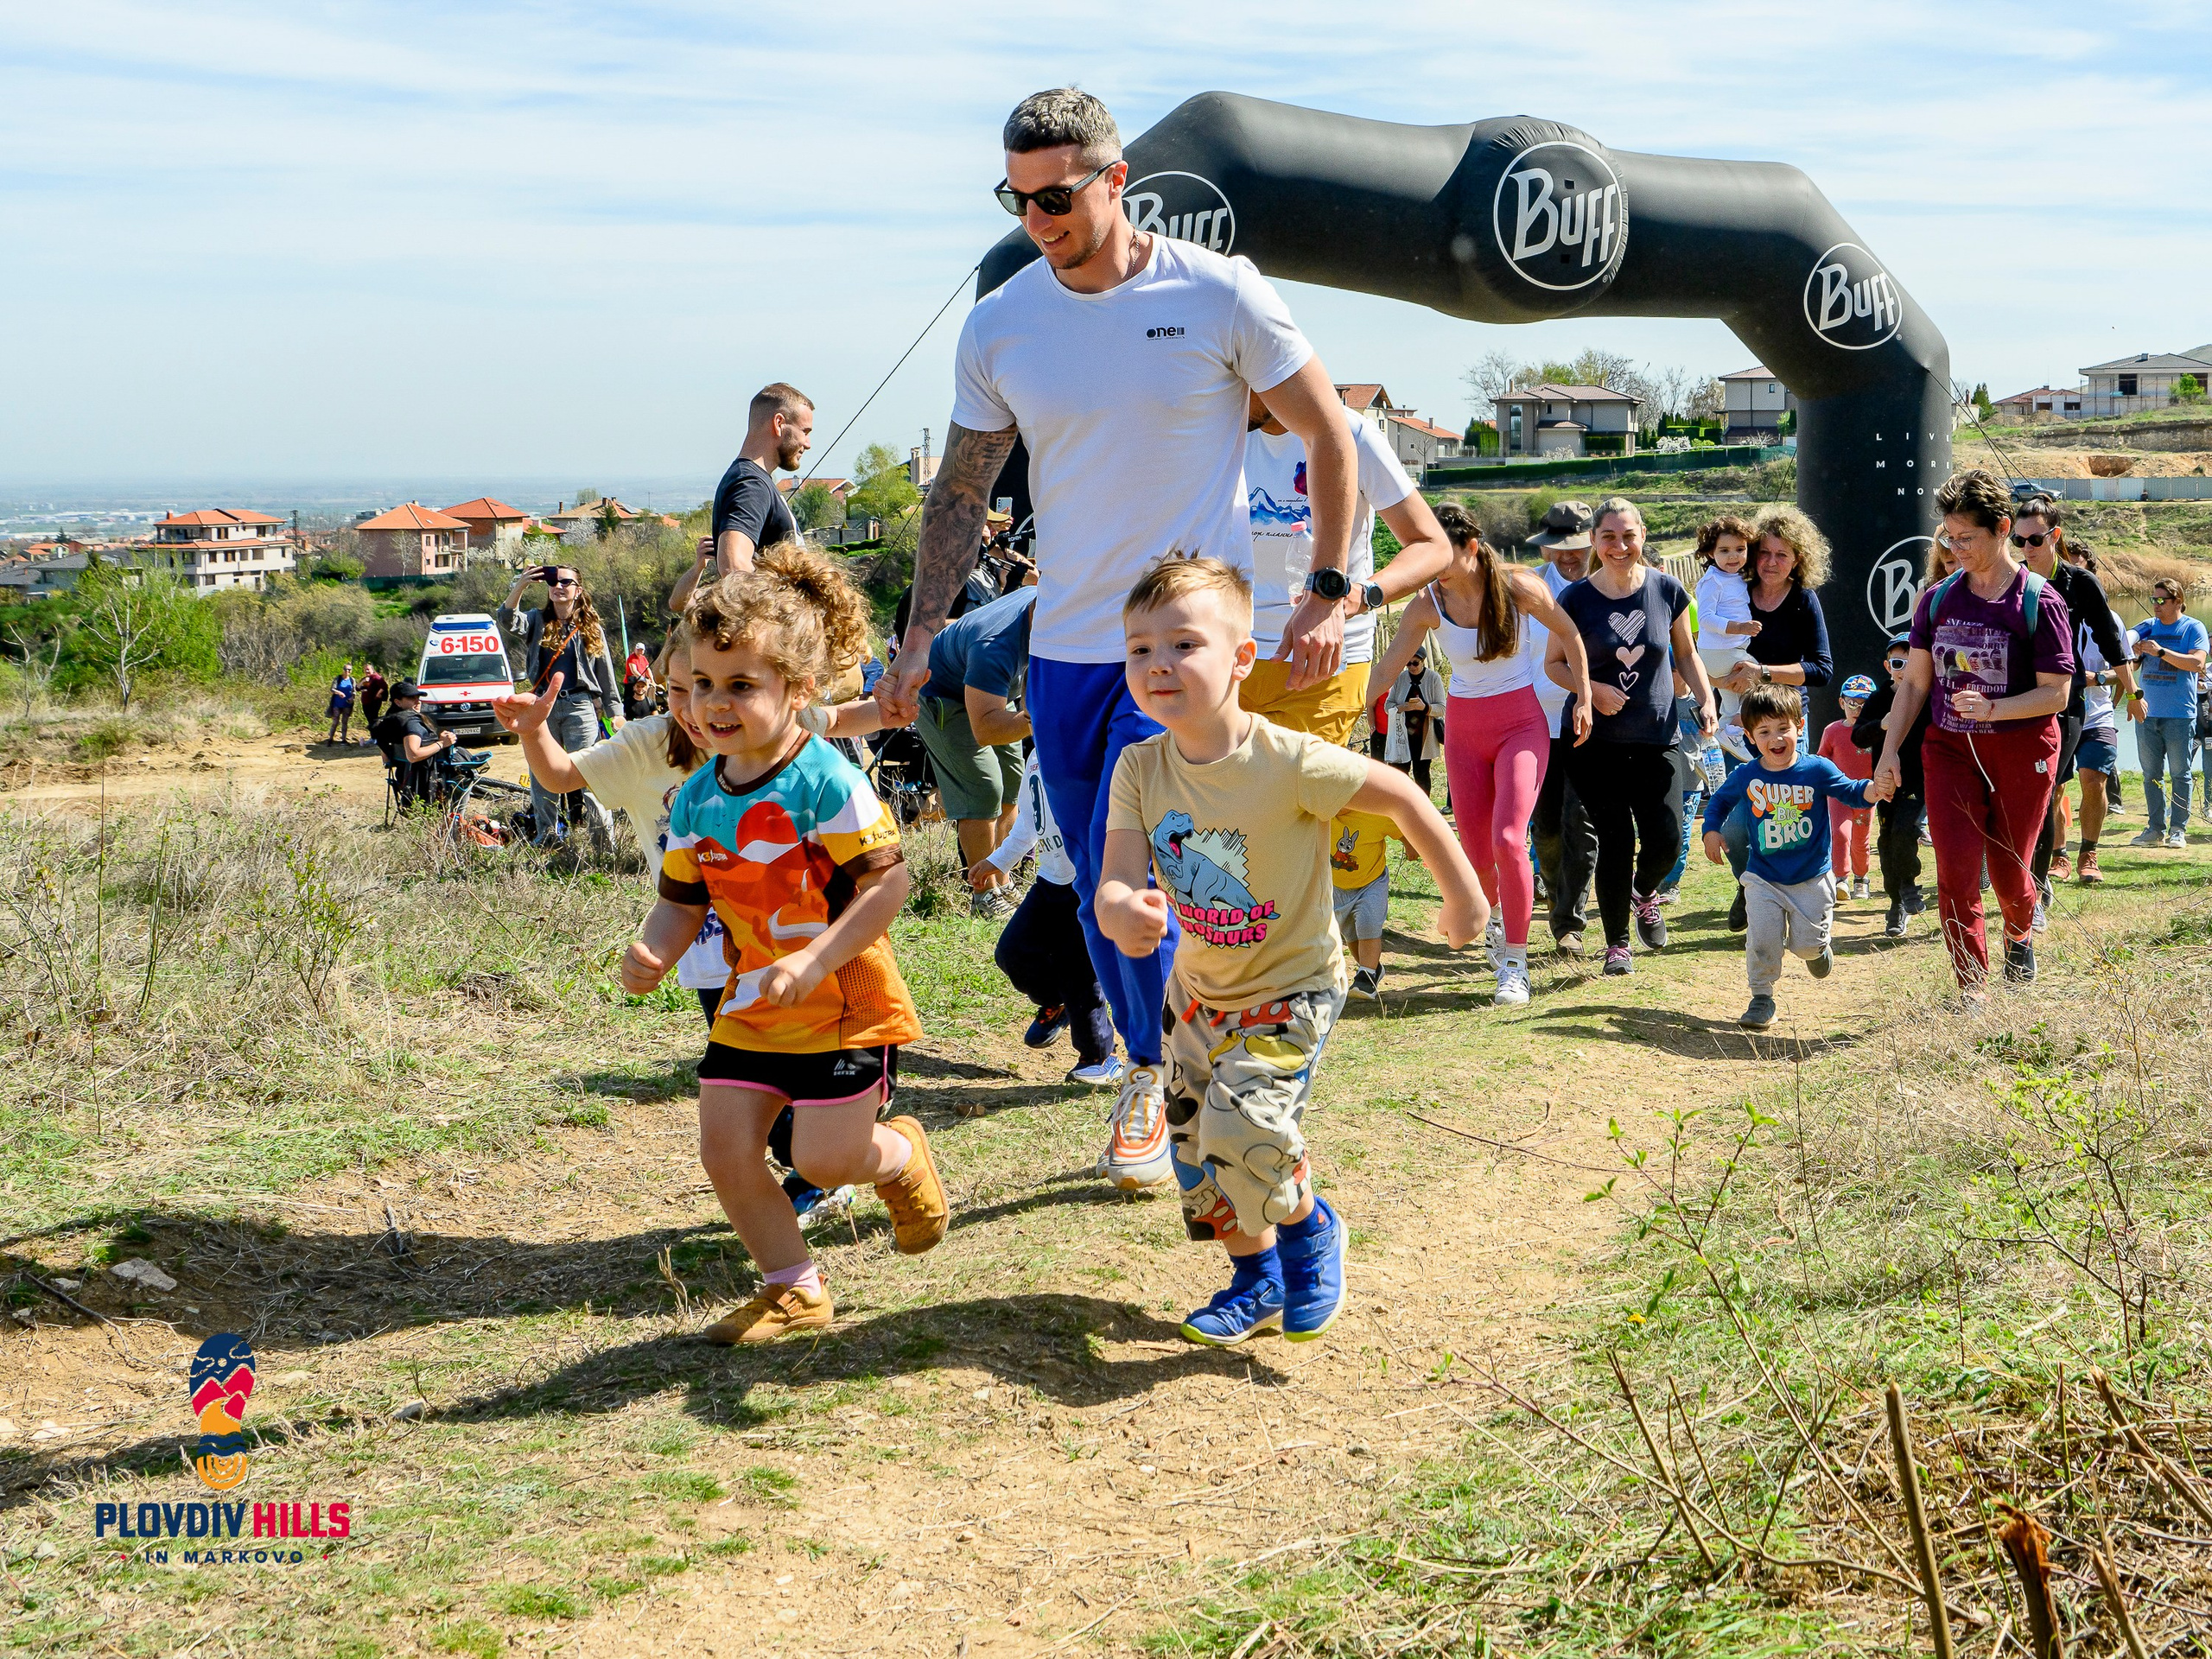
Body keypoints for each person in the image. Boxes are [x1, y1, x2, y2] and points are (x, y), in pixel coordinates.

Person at [880, 87, 1361, 1193]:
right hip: (1070, 651)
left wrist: (1329, 590)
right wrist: (919, 639)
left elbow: (1329, 436)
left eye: (1055, 194)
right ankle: (1152, 1073)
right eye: (1016, 195)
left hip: (1195, 649)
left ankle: (1251, 1059)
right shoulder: (1003, 322)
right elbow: (958, 494)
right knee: (1108, 875)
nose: (1035, 215)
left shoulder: (1216, 292)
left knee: (1215, 873)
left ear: (1115, 181)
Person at [1095, 557, 1484, 1344]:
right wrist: (1118, 909)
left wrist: (1464, 895)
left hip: (1294, 987)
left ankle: (1312, 1233)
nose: (1157, 664)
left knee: (1246, 1131)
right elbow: (1115, 878)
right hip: (1197, 997)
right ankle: (1256, 1279)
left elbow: (1405, 795)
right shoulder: (1140, 766)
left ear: (1242, 659)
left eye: (1183, 645)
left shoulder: (1289, 760)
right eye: (1139, 650)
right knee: (1199, 1158)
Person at [618, 545, 947, 1345]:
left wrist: (813, 960)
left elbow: (888, 886)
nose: (712, 704)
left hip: (842, 1005)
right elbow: (679, 903)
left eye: (739, 685)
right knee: (727, 1152)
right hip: (751, 1009)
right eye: (700, 684)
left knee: (827, 1162)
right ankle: (793, 1286)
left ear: (797, 692)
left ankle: (898, 1156)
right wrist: (651, 950)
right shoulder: (695, 799)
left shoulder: (825, 779)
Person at [1364, 504, 1592, 1005]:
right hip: (1465, 731)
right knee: (1475, 851)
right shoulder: (1427, 604)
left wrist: (1584, 699)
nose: (1430, 569)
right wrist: (1354, 709)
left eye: (1439, 555)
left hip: (1520, 724)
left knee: (1509, 839)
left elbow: (1571, 634)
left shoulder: (1519, 587)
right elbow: (1386, 669)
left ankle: (1514, 961)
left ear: (1469, 546)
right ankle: (1495, 919)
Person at [1873, 469, 2074, 995]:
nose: (1955, 547)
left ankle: (2020, 934)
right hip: (1949, 751)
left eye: (1967, 538)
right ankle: (1971, 987)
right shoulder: (1937, 599)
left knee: (2009, 872)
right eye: (1948, 537)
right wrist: (1889, 751)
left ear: (2003, 527)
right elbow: (1915, 685)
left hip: (2022, 750)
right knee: (1957, 870)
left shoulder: (2039, 600)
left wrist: (1993, 708)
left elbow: (2057, 693)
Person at [1544, 498, 1715, 976]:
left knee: (1664, 837)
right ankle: (1617, 943)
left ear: (1641, 535)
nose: (1619, 547)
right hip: (1592, 741)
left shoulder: (1667, 590)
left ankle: (1645, 894)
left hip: (1656, 734)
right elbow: (1553, 664)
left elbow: (1686, 654)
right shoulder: (1575, 599)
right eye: (1609, 538)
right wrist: (1592, 689)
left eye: (1628, 536)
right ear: (1595, 542)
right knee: (1616, 839)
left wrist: (1705, 697)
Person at [1243, 389, 1451, 741]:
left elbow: (1432, 546)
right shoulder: (1217, 431)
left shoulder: (1354, 434)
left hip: (1323, 664)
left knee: (1299, 795)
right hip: (1229, 657)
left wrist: (1361, 594)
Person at [1702, 683, 1887, 1029]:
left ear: (1799, 726)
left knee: (1804, 946)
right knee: (1762, 939)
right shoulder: (1746, 774)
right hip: (1763, 877)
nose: (1776, 738)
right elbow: (1719, 802)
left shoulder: (1816, 769)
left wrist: (1873, 790)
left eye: (1783, 728)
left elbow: (1849, 790)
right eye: (1764, 731)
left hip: (1811, 877)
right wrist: (1711, 830)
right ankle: (1761, 997)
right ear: (1750, 736)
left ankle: (1817, 950)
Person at [1713, 507, 1835, 929]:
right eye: (1763, 552)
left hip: (1785, 724)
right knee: (1736, 826)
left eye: (1782, 555)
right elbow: (1700, 639)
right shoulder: (1735, 591)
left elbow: (1822, 668)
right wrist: (1715, 679)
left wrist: (1764, 673)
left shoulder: (1804, 600)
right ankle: (1751, 886)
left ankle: (1782, 897)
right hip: (1737, 724)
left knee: (1782, 820)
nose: (1769, 562)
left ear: (1799, 559)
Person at [2010, 496, 2135, 909]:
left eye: (2034, 539)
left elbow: (2112, 642)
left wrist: (2132, 693)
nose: (2026, 548)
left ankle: (2040, 881)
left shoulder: (2079, 583)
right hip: (2014, 702)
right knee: (2018, 793)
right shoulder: (2010, 582)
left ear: (2054, 536)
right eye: (2018, 539)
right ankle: (2020, 872)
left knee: (2048, 790)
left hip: (2065, 701)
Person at [984, 751, 1122, 1086]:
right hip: (1050, 881)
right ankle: (1056, 1002)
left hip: (1089, 880)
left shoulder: (1091, 747)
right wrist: (997, 861)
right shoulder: (1035, 757)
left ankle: (1100, 1057)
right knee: (1011, 952)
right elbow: (1026, 828)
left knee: (1077, 970)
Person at [912, 587, 1036, 918]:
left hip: (990, 692)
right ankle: (984, 895)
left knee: (1013, 782)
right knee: (983, 790)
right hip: (943, 697)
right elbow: (987, 728)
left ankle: (1000, 878)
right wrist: (1045, 718)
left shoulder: (1048, 600)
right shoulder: (995, 647)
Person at [1524, 501, 1601, 954]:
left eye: (1576, 547)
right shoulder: (1528, 587)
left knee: (1582, 821)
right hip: (1534, 721)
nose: (1569, 557)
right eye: (1560, 548)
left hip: (1588, 721)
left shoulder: (1606, 590)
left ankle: (1570, 921)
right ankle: (1556, 892)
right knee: (1547, 828)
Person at [499, 563, 622, 846]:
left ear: (578, 590)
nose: (559, 587)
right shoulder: (536, 620)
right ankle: (548, 838)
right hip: (543, 707)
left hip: (580, 707)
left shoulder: (591, 628)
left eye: (566, 582)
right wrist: (520, 585)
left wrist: (616, 716)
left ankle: (603, 845)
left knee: (591, 773)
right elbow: (507, 618)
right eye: (554, 582)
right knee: (542, 775)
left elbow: (606, 677)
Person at [2062, 541, 2131, 884]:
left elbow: (2125, 667)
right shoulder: (2048, 608)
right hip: (2057, 712)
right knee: (2055, 789)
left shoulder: (2112, 618)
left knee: (2093, 781)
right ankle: (2057, 854)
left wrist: (2101, 682)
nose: (2071, 574)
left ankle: (2088, 852)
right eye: (2066, 566)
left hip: (2098, 716)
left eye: (2079, 568)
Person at [1853, 633, 1931, 937]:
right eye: (1899, 663)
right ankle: (1896, 903)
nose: (1905, 668)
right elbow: (1858, 737)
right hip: (1886, 784)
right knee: (1886, 842)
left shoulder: (1930, 694)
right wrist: (1883, 725)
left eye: (1912, 662)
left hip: (1921, 781)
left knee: (1906, 829)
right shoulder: (1879, 698)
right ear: (1888, 666)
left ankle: (1909, 886)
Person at [696, 384, 810, 587]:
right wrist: (783, 612)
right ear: (779, 423)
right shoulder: (751, 484)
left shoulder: (755, 480)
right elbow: (733, 565)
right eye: (805, 431)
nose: (808, 443)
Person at [2128, 575, 2207, 849]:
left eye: (2162, 600)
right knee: (2150, 774)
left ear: (2178, 602)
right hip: (2147, 713)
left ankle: (2178, 830)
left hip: (2180, 714)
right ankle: (2154, 829)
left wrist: (2161, 651)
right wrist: (2136, 652)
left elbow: (2197, 663)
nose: (2156, 605)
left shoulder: (2193, 628)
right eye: (2153, 599)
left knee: (2180, 773)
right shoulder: (2148, 626)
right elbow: (2128, 653)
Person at [1329, 804, 1401, 1002]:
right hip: (1337, 888)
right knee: (1350, 933)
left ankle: (1367, 975)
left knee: (1368, 923)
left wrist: (1411, 845)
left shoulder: (1373, 813)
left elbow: (1401, 828)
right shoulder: (1322, 814)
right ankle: (1371, 968)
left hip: (1371, 883)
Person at [1693, 516, 1760, 721]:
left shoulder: (1732, 577)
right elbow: (1705, 618)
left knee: (1732, 704)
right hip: (1720, 652)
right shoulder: (1713, 580)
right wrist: (1740, 628)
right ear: (1711, 553)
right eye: (1724, 551)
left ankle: (1727, 731)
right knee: (1759, 679)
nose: (1733, 556)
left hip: (1724, 652)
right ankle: (1730, 731)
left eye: (1740, 549)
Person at [1818, 673, 1876, 899]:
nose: (1857, 708)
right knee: (1840, 834)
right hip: (1838, 793)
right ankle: (1841, 878)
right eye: (1852, 702)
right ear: (1842, 702)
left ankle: (1862, 878)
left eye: (1864, 704)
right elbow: (1823, 759)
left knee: (1861, 840)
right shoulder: (1832, 731)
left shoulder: (1876, 730)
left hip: (1865, 794)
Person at [371, 680, 456, 808]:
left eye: (418, 697)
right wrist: (442, 744)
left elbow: (386, 758)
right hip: (427, 778)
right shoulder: (411, 722)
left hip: (405, 777)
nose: (418, 701)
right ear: (398, 702)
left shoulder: (390, 721)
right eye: (411, 698)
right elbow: (413, 755)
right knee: (466, 775)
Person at [1382, 649, 1444, 797]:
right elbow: (1387, 706)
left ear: (1423, 661)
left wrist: (1424, 707)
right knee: (1398, 774)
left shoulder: (1433, 678)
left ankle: (1423, 810)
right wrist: (1401, 707)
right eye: (1408, 664)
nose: (1411, 667)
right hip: (1402, 735)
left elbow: (1442, 708)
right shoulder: (1401, 678)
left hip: (1423, 736)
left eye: (1415, 663)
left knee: (1421, 774)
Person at [622, 640, 657, 721]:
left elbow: (648, 670)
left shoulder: (644, 659)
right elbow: (634, 670)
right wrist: (643, 679)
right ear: (635, 649)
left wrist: (652, 681)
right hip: (631, 682)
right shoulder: (632, 658)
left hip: (642, 681)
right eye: (638, 649)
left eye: (641, 650)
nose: (640, 651)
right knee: (629, 702)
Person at [326, 662, 357, 746]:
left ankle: (343, 739)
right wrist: (339, 692)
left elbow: (354, 691)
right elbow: (332, 689)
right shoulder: (338, 679)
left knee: (345, 721)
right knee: (335, 721)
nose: (347, 671)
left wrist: (352, 698)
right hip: (337, 703)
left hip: (347, 704)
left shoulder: (352, 680)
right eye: (346, 669)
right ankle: (330, 738)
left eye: (349, 670)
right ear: (343, 670)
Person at [358, 665, 389, 740]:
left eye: (368, 670)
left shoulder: (376, 677)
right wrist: (363, 681)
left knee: (373, 720)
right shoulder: (366, 679)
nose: (367, 671)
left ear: (372, 670)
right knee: (370, 720)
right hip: (365, 703)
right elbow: (357, 688)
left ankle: (375, 738)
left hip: (374, 703)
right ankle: (373, 737)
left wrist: (378, 694)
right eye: (365, 670)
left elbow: (384, 686)